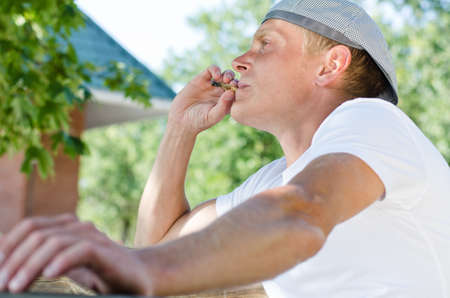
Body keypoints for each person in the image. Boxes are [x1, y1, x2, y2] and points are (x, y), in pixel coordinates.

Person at [0, 0, 449, 297]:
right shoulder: (274, 182)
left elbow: (300, 213)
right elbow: (153, 245)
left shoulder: (373, 122)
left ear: (331, 64)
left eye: (266, 43)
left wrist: (147, 268)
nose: (239, 60)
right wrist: (180, 129)